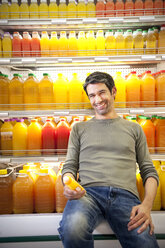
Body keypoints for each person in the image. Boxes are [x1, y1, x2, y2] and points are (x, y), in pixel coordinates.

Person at [58, 71, 159, 248]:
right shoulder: (79, 129)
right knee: (72, 229)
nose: (97, 100)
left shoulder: (134, 129)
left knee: (146, 243)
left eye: (101, 92)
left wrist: (146, 205)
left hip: (125, 196)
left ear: (113, 91)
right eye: (92, 95)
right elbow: (69, 166)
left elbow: (149, 171)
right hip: (87, 194)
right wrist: (68, 183)